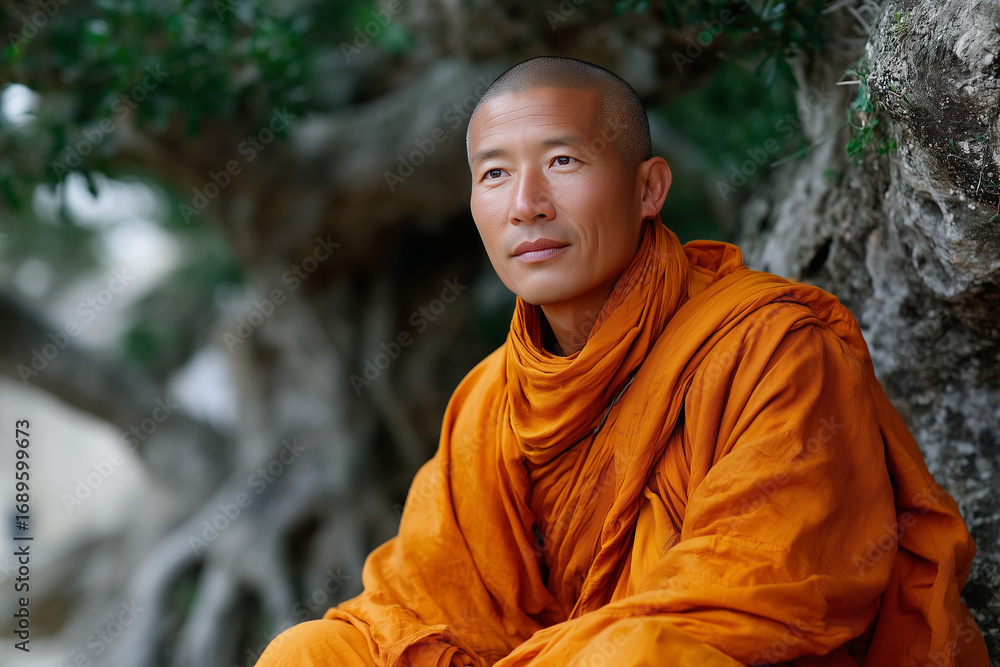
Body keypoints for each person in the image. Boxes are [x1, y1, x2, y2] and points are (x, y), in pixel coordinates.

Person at [256, 56, 988, 666]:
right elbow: (421, 604)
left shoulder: (768, 344)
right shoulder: (487, 401)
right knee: (309, 651)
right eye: (494, 175)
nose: (526, 205)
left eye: (563, 161)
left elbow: (755, 597)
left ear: (649, 188)